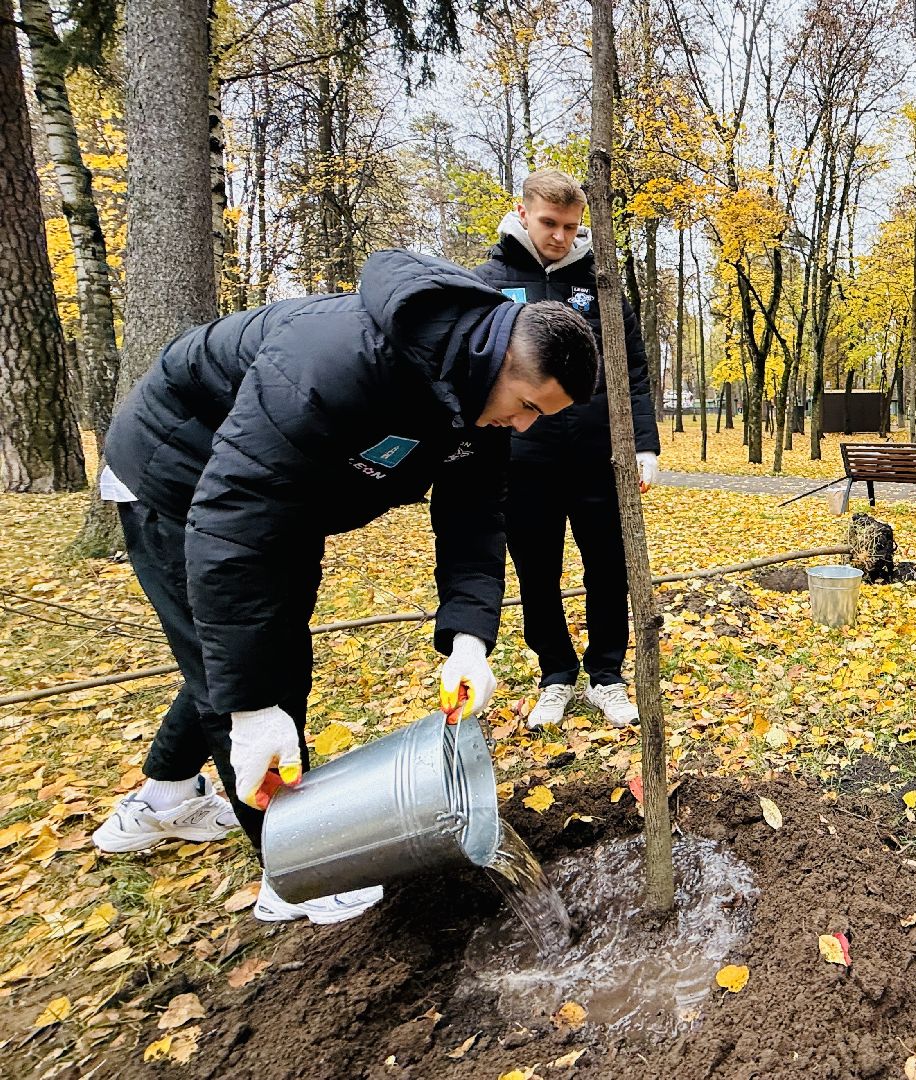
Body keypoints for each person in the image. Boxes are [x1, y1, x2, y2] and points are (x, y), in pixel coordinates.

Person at [91, 249, 598, 923]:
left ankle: (162, 799)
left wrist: (470, 639)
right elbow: (231, 526)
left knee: (254, 647)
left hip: (285, 492)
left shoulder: (476, 398)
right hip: (179, 476)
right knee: (253, 670)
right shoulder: (337, 361)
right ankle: (294, 869)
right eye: (528, 405)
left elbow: (475, 520)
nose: (527, 425)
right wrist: (250, 710)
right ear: (499, 358)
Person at [472, 169, 659, 730]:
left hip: (597, 457)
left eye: (571, 226)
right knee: (537, 573)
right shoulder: (487, 281)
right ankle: (555, 674)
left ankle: (606, 674)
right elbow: (474, 370)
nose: (559, 236)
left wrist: (643, 445)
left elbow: (635, 372)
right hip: (521, 461)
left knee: (609, 569)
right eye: (550, 222)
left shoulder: (600, 284)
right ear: (524, 212)